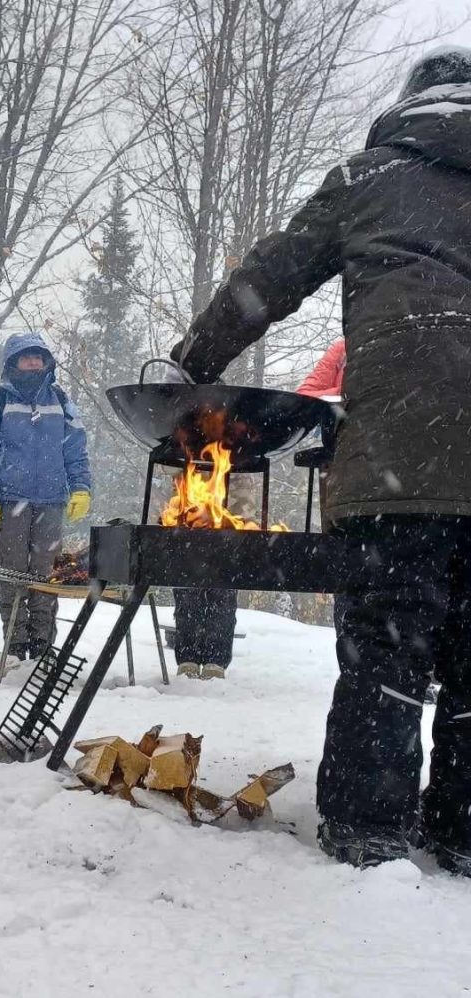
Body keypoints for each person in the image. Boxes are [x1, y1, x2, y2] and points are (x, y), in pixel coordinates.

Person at [169, 48, 471, 874]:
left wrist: (193, 360)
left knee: (386, 648)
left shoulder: (368, 177)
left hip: (399, 463)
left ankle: (370, 826)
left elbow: (271, 277)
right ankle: (464, 830)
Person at [0, 331, 91, 661]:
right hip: (10, 501)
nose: (34, 362)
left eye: (39, 356)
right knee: (13, 573)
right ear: (13, 362)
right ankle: (15, 642)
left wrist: (81, 488)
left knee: (45, 576)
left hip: (51, 501)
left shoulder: (61, 400)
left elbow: (76, 450)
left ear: (47, 362)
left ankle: (42, 643)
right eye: (27, 356)